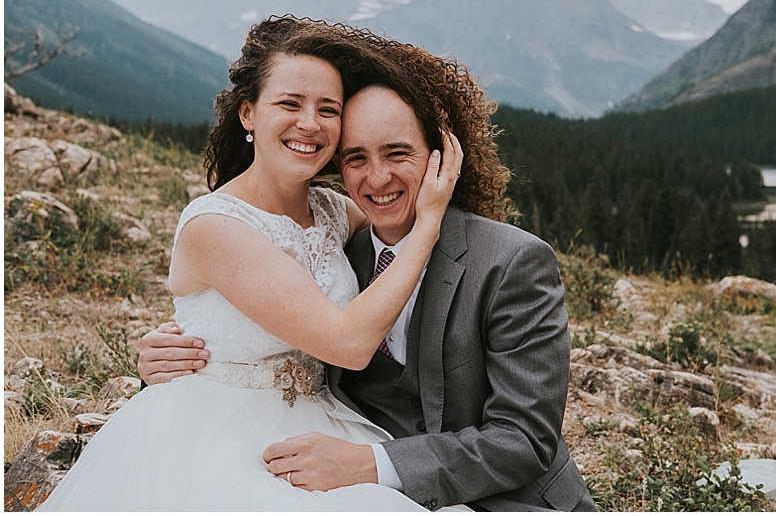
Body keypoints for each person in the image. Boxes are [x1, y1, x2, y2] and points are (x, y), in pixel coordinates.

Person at [141, 36, 597, 511]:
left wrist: (371, 464)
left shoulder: (513, 263)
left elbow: (523, 440)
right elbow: (259, 319)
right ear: (248, 114)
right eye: (357, 157)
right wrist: (170, 356)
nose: (377, 179)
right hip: (304, 455)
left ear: (441, 152)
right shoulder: (344, 243)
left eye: (398, 153)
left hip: (502, 499)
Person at [38, 17, 462, 511]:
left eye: (328, 109)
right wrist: (429, 227)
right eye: (289, 103)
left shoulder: (334, 211)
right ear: (248, 114)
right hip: (214, 433)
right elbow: (347, 342)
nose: (310, 123)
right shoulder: (215, 225)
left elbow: (391, 215)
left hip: (318, 422)